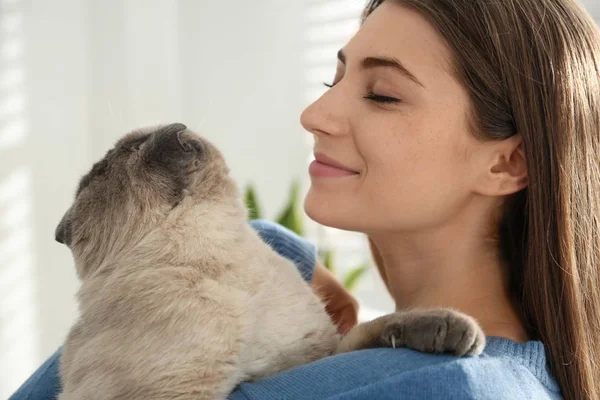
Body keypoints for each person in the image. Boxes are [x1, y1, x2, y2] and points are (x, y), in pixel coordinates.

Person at [11, 0, 600, 398]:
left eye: (383, 95)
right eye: (333, 79)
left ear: (507, 162)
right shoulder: (390, 363)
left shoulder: (447, 387)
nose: (316, 114)